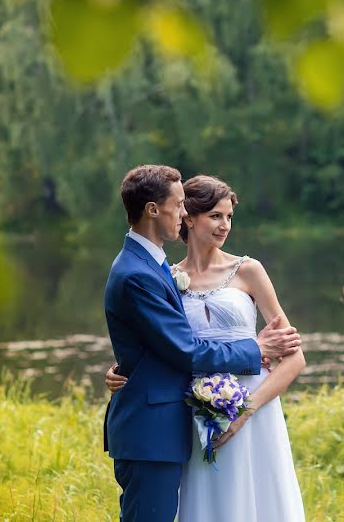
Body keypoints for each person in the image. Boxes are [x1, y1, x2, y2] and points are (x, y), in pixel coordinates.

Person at [103, 165, 302, 522]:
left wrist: (244, 411)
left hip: (247, 409)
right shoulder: (164, 274)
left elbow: (293, 354)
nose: (225, 224)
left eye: (229, 216)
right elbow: (178, 346)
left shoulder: (246, 270)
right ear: (188, 219)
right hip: (196, 414)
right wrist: (124, 367)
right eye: (214, 215)